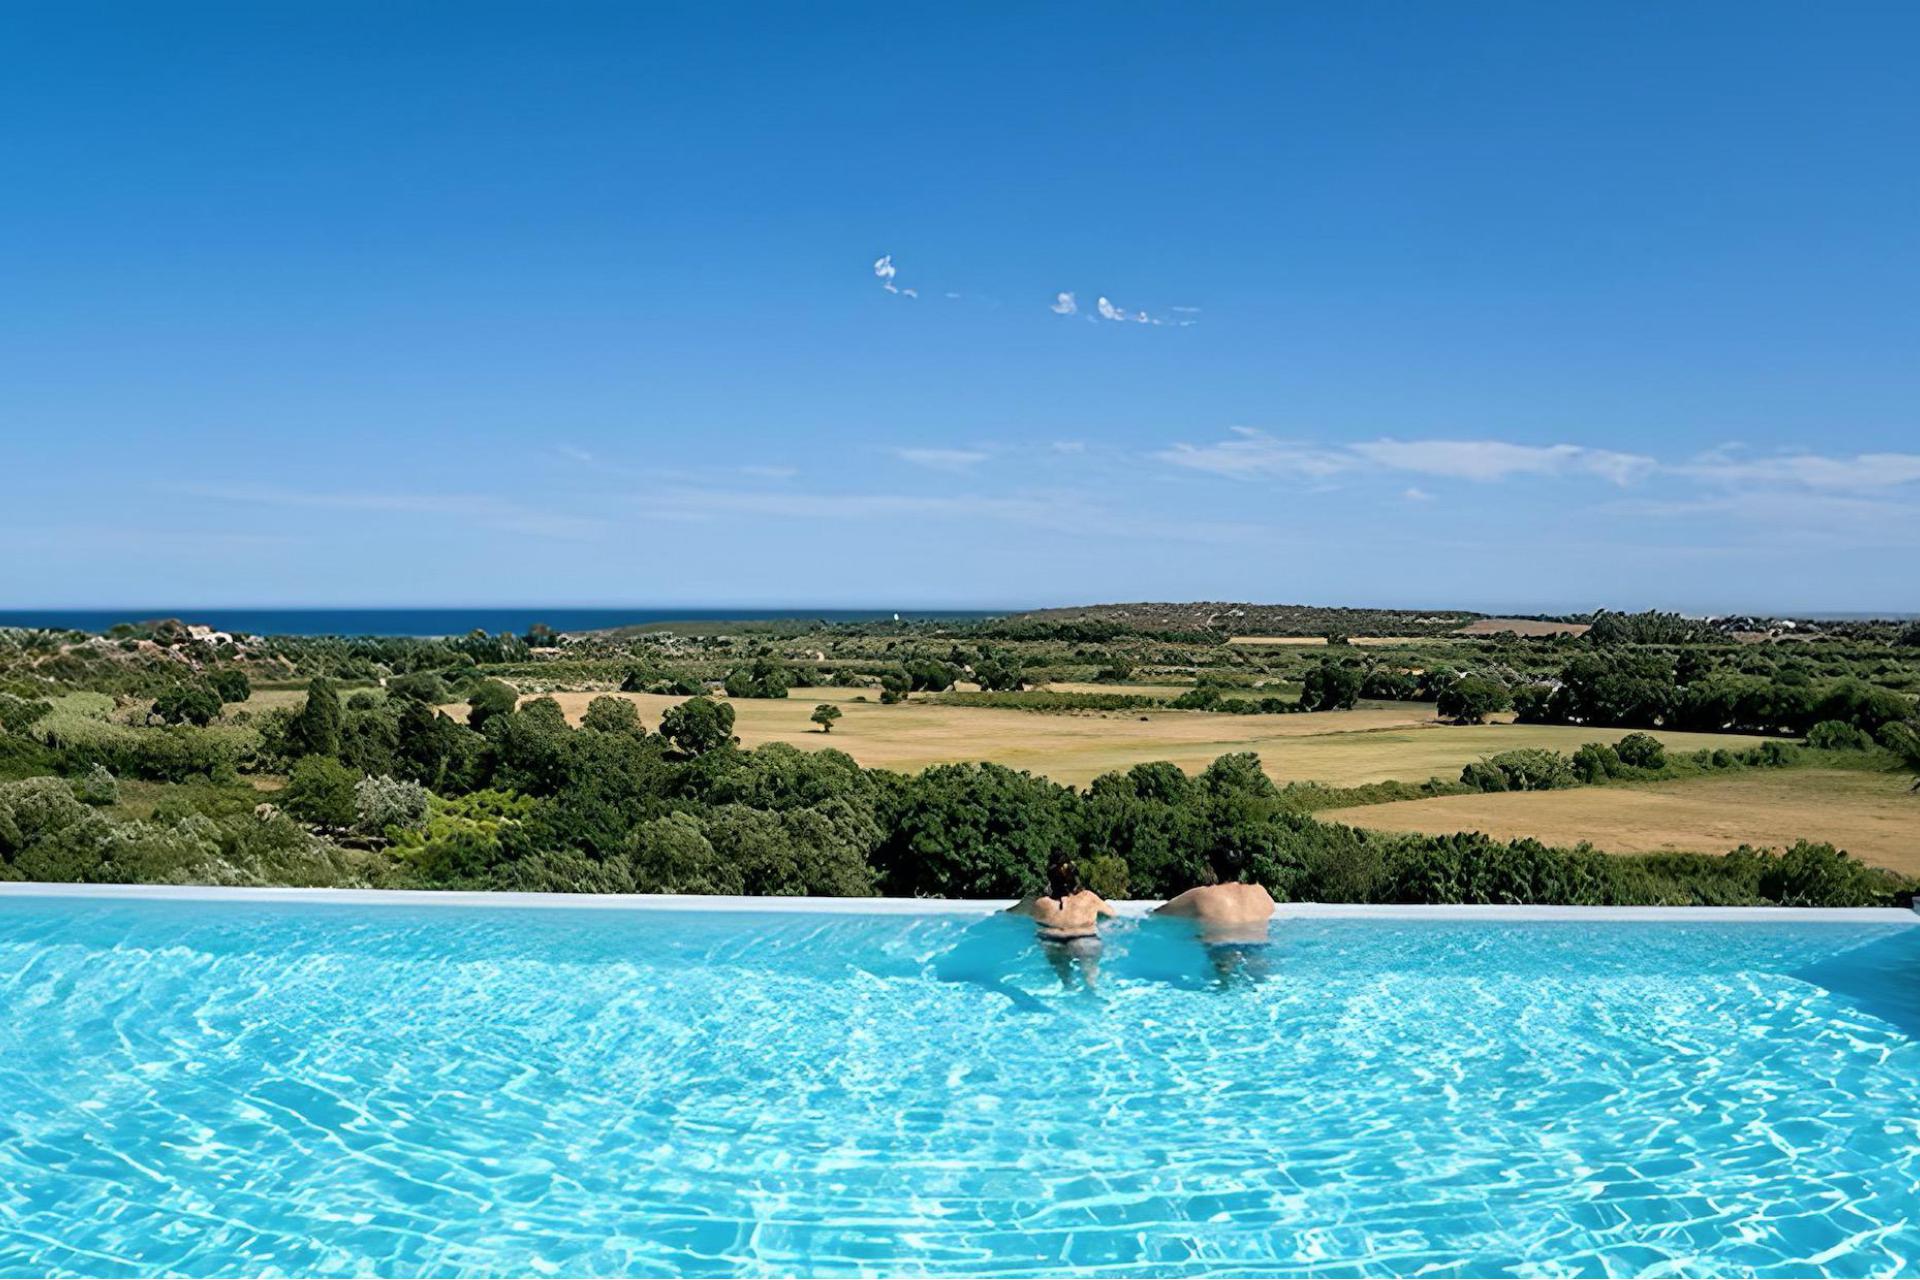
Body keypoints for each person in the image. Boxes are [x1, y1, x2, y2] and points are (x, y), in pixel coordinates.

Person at [1152, 848, 1275, 980]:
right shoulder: (1260, 891)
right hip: (1255, 946)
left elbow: (1159, 914)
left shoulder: (1202, 895)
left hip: (1222, 948)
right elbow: (1270, 910)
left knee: (1223, 986)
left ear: (1212, 868)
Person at [1007, 859, 1115, 987]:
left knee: (1066, 981)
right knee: (1090, 980)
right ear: (1075, 878)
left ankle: (1068, 986)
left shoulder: (1038, 902)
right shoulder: (1089, 898)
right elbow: (1112, 914)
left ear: (1051, 880)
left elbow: (1009, 914)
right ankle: (1091, 990)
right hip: (1085, 940)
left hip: (1053, 941)